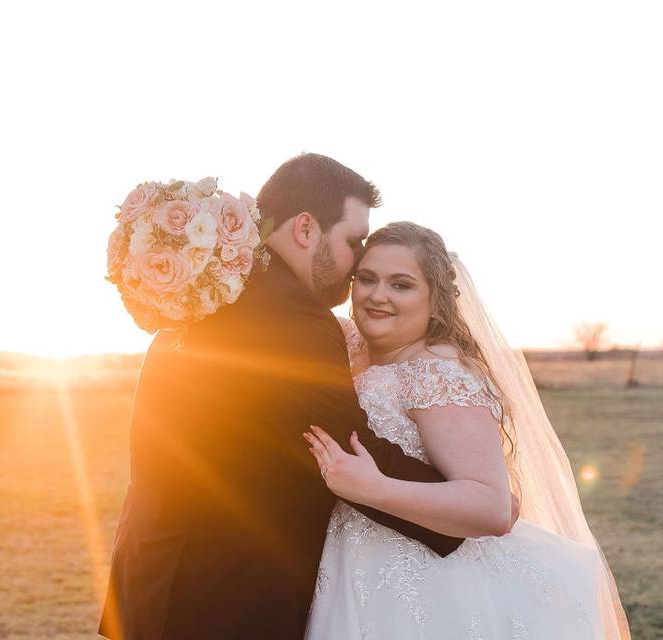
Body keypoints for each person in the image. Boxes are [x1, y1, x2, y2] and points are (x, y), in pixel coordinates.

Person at [98, 155, 517, 640]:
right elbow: (343, 443)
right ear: (305, 228)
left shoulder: (215, 291)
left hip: (156, 577)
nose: (358, 261)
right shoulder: (293, 319)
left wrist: (473, 498)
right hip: (220, 597)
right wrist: (477, 505)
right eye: (353, 241)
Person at [303, 222, 631, 639]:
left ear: (436, 301)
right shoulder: (347, 345)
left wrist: (370, 487)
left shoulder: (437, 374)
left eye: (401, 285)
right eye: (367, 279)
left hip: (426, 580)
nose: (377, 295)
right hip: (350, 564)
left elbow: (490, 506)